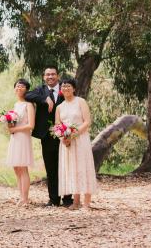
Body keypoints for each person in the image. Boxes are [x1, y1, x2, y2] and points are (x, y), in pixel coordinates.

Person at [25, 65, 73, 207]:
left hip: (65, 134)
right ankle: (54, 200)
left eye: (53, 74)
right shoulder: (40, 90)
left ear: (58, 76)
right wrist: (45, 98)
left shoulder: (65, 88)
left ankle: (68, 199)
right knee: (51, 168)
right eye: (47, 74)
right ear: (44, 77)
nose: (50, 76)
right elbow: (28, 95)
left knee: (66, 167)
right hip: (47, 135)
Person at [55, 77, 98, 209]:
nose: (66, 88)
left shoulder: (80, 102)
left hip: (80, 139)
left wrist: (73, 134)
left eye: (68, 86)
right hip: (66, 142)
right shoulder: (59, 107)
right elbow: (57, 125)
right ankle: (76, 201)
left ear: (74, 88)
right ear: (61, 89)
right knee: (72, 169)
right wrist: (63, 137)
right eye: (63, 86)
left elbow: (87, 121)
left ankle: (86, 203)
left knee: (83, 167)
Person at [6, 78, 35, 206]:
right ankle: (21, 196)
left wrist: (15, 129)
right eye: (17, 86)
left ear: (27, 89)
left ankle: (25, 199)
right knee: (16, 167)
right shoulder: (16, 104)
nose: (19, 88)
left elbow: (31, 125)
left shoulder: (28, 105)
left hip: (23, 137)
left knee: (23, 167)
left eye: (22, 86)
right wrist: (9, 124)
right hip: (15, 137)